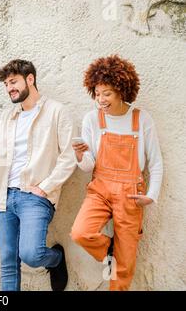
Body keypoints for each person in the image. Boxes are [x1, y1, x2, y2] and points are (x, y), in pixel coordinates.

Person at [0, 59, 76, 291]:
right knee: (8, 261)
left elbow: (69, 157)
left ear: (30, 79)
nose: (9, 88)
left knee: (31, 254)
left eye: (13, 82)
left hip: (36, 195)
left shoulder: (57, 112)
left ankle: (55, 259)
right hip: (4, 196)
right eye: (6, 84)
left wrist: (45, 188)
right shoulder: (5, 117)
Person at [70, 55, 163, 291]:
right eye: (97, 93)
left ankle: (119, 258)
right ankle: (110, 250)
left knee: (124, 268)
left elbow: (156, 163)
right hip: (100, 189)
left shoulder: (141, 119)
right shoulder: (92, 119)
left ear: (122, 90)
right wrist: (81, 155)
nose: (100, 99)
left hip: (131, 194)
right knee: (81, 232)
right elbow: (89, 165)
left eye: (107, 93)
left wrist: (151, 196)